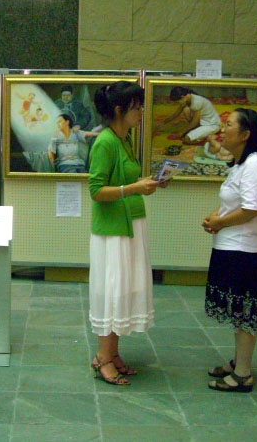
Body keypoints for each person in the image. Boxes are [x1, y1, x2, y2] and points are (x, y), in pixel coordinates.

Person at [88, 81, 168, 386]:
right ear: (120, 109)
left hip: (131, 224)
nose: (141, 112)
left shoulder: (125, 139)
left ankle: (112, 353)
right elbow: (96, 190)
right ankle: (102, 358)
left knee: (121, 292)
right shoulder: (105, 142)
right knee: (112, 291)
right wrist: (135, 188)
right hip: (112, 232)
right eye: (137, 106)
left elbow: (126, 182)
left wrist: (150, 182)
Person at [202, 108, 257, 392]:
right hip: (232, 248)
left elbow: (251, 209)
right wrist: (215, 216)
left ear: (245, 134)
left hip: (244, 251)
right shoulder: (240, 164)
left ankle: (243, 374)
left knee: (244, 312)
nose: (223, 129)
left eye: (229, 124)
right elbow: (234, 202)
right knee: (239, 311)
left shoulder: (255, 164)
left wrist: (220, 222)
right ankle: (239, 362)